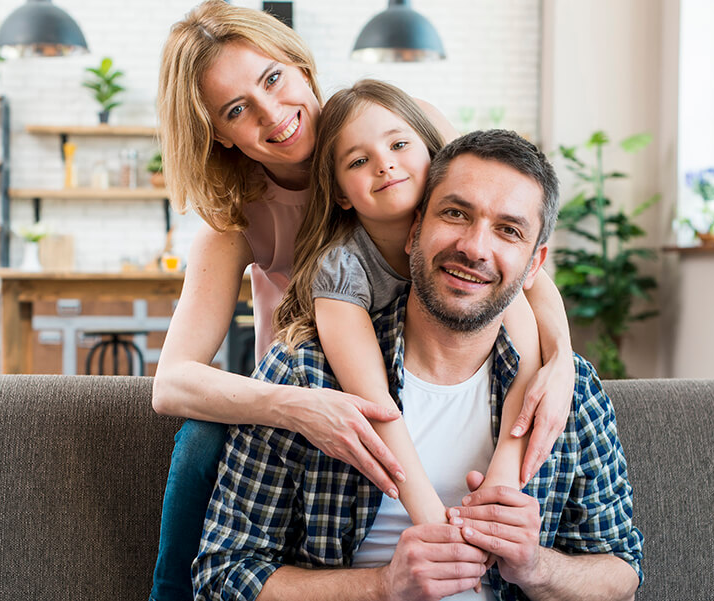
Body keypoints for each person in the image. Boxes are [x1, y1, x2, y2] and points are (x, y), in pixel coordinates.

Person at [150, 3, 575, 600]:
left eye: (273, 78)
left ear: (300, 67)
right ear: (219, 132)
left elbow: (511, 255)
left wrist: (561, 361)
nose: (272, 114)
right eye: (238, 109)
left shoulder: (410, 129)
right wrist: (295, 406)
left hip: (443, 364)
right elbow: (171, 382)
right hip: (323, 394)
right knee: (202, 439)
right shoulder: (237, 218)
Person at [194, 129, 644, 601]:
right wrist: (381, 586)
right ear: (414, 232)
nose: (474, 247)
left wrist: (536, 567)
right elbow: (221, 576)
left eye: (508, 230)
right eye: (455, 213)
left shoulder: (567, 392)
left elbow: (623, 573)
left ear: (534, 266)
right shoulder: (304, 374)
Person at [273, 79, 557, 526]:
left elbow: (523, 333)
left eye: (400, 145)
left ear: (430, 153)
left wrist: (507, 463)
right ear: (341, 192)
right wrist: (430, 517)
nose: (385, 166)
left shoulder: (478, 245)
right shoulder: (341, 269)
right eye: (360, 160)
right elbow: (375, 403)